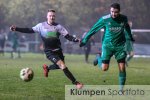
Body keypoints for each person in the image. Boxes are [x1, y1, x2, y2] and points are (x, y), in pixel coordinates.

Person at [10, 9, 83, 89]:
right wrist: (17, 28)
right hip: (49, 52)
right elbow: (29, 30)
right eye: (50, 16)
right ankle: (76, 83)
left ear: (55, 17)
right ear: (47, 16)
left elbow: (68, 36)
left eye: (53, 16)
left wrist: (76, 40)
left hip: (58, 50)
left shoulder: (58, 27)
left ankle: (47, 68)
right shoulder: (41, 26)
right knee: (62, 65)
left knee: (59, 66)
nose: (52, 17)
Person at [80, 3, 134, 91]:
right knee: (104, 68)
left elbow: (127, 28)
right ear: (110, 11)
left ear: (119, 11)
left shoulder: (124, 19)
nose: (113, 14)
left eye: (115, 12)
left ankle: (121, 90)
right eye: (112, 11)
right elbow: (93, 29)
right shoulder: (104, 19)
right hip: (107, 46)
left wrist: (130, 36)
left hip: (120, 47)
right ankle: (98, 57)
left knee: (122, 67)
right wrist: (85, 40)